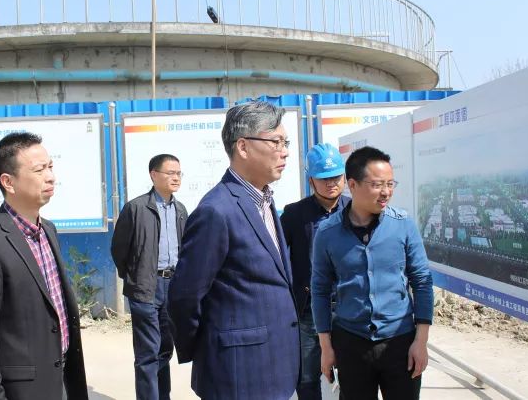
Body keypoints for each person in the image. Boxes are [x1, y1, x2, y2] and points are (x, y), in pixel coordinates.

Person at [168, 101, 300, 400]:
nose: (285, 151)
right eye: (276, 142)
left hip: (277, 366)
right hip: (239, 374)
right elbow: (184, 296)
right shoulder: (216, 210)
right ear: (243, 147)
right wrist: (209, 348)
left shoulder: (264, 201)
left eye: (286, 142)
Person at [0, 132, 88, 400]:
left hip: (62, 378)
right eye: (39, 170)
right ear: (8, 182)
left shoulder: (48, 230)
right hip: (22, 390)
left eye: (50, 167)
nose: (50, 177)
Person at [311, 146, 433, 400]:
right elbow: (320, 290)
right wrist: (326, 346)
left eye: (390, 184)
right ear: (352, 185)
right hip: (351, 342)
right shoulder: (327, 233)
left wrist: (420, 342)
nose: (386, 191)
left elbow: (422, 282)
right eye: (377, 185)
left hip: (399, 341)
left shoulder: (403, 225)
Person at [111, 154, 187, 400]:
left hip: (172, 286)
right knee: (147, 353)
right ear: (154, 175)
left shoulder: (180, 210)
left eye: (179, 173)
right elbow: (119, 249)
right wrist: (135, 277)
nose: (176, 178)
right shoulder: (136, 208)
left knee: (165, 350)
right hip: (146, 286)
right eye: (170, 173)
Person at [280, 143, 350, 400]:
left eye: (336, 177)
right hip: (308, 310)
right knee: (307, 378)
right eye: (324, 178)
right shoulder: (294, 214)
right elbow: (276, 258)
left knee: (353, 376)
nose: (331, 183)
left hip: (349, 309)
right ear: (311, 180)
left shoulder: (356, 210)